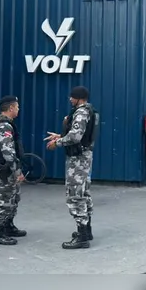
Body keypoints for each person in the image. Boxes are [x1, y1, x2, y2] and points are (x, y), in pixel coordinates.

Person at [46, 86, 99, 249]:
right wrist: (61, 136)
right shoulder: (89, 111)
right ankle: (86, 230)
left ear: (79, 98)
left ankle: (82, 236)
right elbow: (80, 135)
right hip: (83, 157)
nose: (70, 99)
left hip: (78, 159)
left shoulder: (81, 112)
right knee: (84, 193)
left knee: (75, 195)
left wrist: (58, 142)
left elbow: (76, 136)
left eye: (72, 96)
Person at [0, 95, 26, 246]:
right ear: (11, 108)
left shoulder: (2, 123)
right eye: (17, 107)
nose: (18, 109)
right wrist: (17, 171)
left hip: (6, 168)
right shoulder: (4, 126)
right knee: (5, 200)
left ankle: (8, 226)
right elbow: (8, 153)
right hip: (4, 169)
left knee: (13, 198)